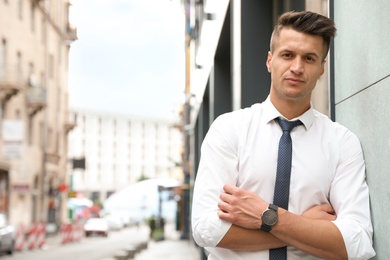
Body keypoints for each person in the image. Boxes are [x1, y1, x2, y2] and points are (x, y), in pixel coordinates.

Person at [191, 10, 375, 260]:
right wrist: (301, 226)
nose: (297, 67)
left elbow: (357, 242)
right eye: (287, 55)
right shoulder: (229, 129)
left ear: (322, 69)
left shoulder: (342, 142)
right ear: (269, 60)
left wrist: (267, 217)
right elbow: (206, 229)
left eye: (309, 59)